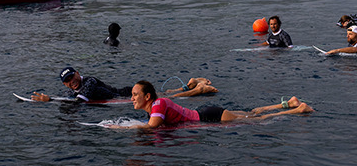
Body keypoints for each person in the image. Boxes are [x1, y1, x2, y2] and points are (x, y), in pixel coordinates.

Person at [113, 80, 313, 129]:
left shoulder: (157, 105)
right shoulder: (155, 106)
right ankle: (288, 104)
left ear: (147, 96)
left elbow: (151, 128)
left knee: (256, 120)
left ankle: (299, 109)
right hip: (205, 113)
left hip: (209, 116)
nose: (132, 98)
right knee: (252, 113)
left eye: (135, 94)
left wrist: (119, 127)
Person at [31, 67, 217, 103]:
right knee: (164, 94)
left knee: (165, 98)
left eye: (73, 77)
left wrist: (50, 100)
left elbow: (80, 101)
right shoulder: (77, 88)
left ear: (78, 73)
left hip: (125, 95)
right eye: (68, 81)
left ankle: (199, 90)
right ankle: (190, 84)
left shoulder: (88, 82)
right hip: (126, 93)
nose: (72, 82)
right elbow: (72, 98)